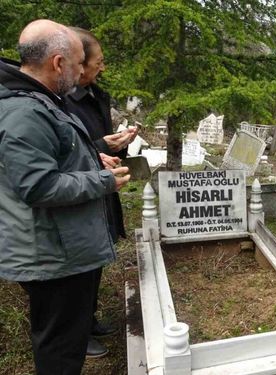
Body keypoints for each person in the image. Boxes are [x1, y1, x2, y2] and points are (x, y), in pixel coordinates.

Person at [0, 20, 129, 374]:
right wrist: (102, 180)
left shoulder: (40, 101)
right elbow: (38, 186)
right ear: (58, 63)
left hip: (61, 248)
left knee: (65, 343)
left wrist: (92, 156)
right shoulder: (25, 112)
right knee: (60, 351)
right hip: (51, 256)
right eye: (76, 63)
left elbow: (54, 158)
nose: (82, 71)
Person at [65, 27, 138, 358]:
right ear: (76, 63)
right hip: (78, 193)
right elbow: (69, 152)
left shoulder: (95, 96)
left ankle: (88, 320)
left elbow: (95, 145)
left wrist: (117, 145)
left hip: (99, 188)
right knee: (76, 272)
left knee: (93, 264)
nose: (100, 68)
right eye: (97, 62)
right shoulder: (62, 100)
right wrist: (98, 148)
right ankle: (75, 335)